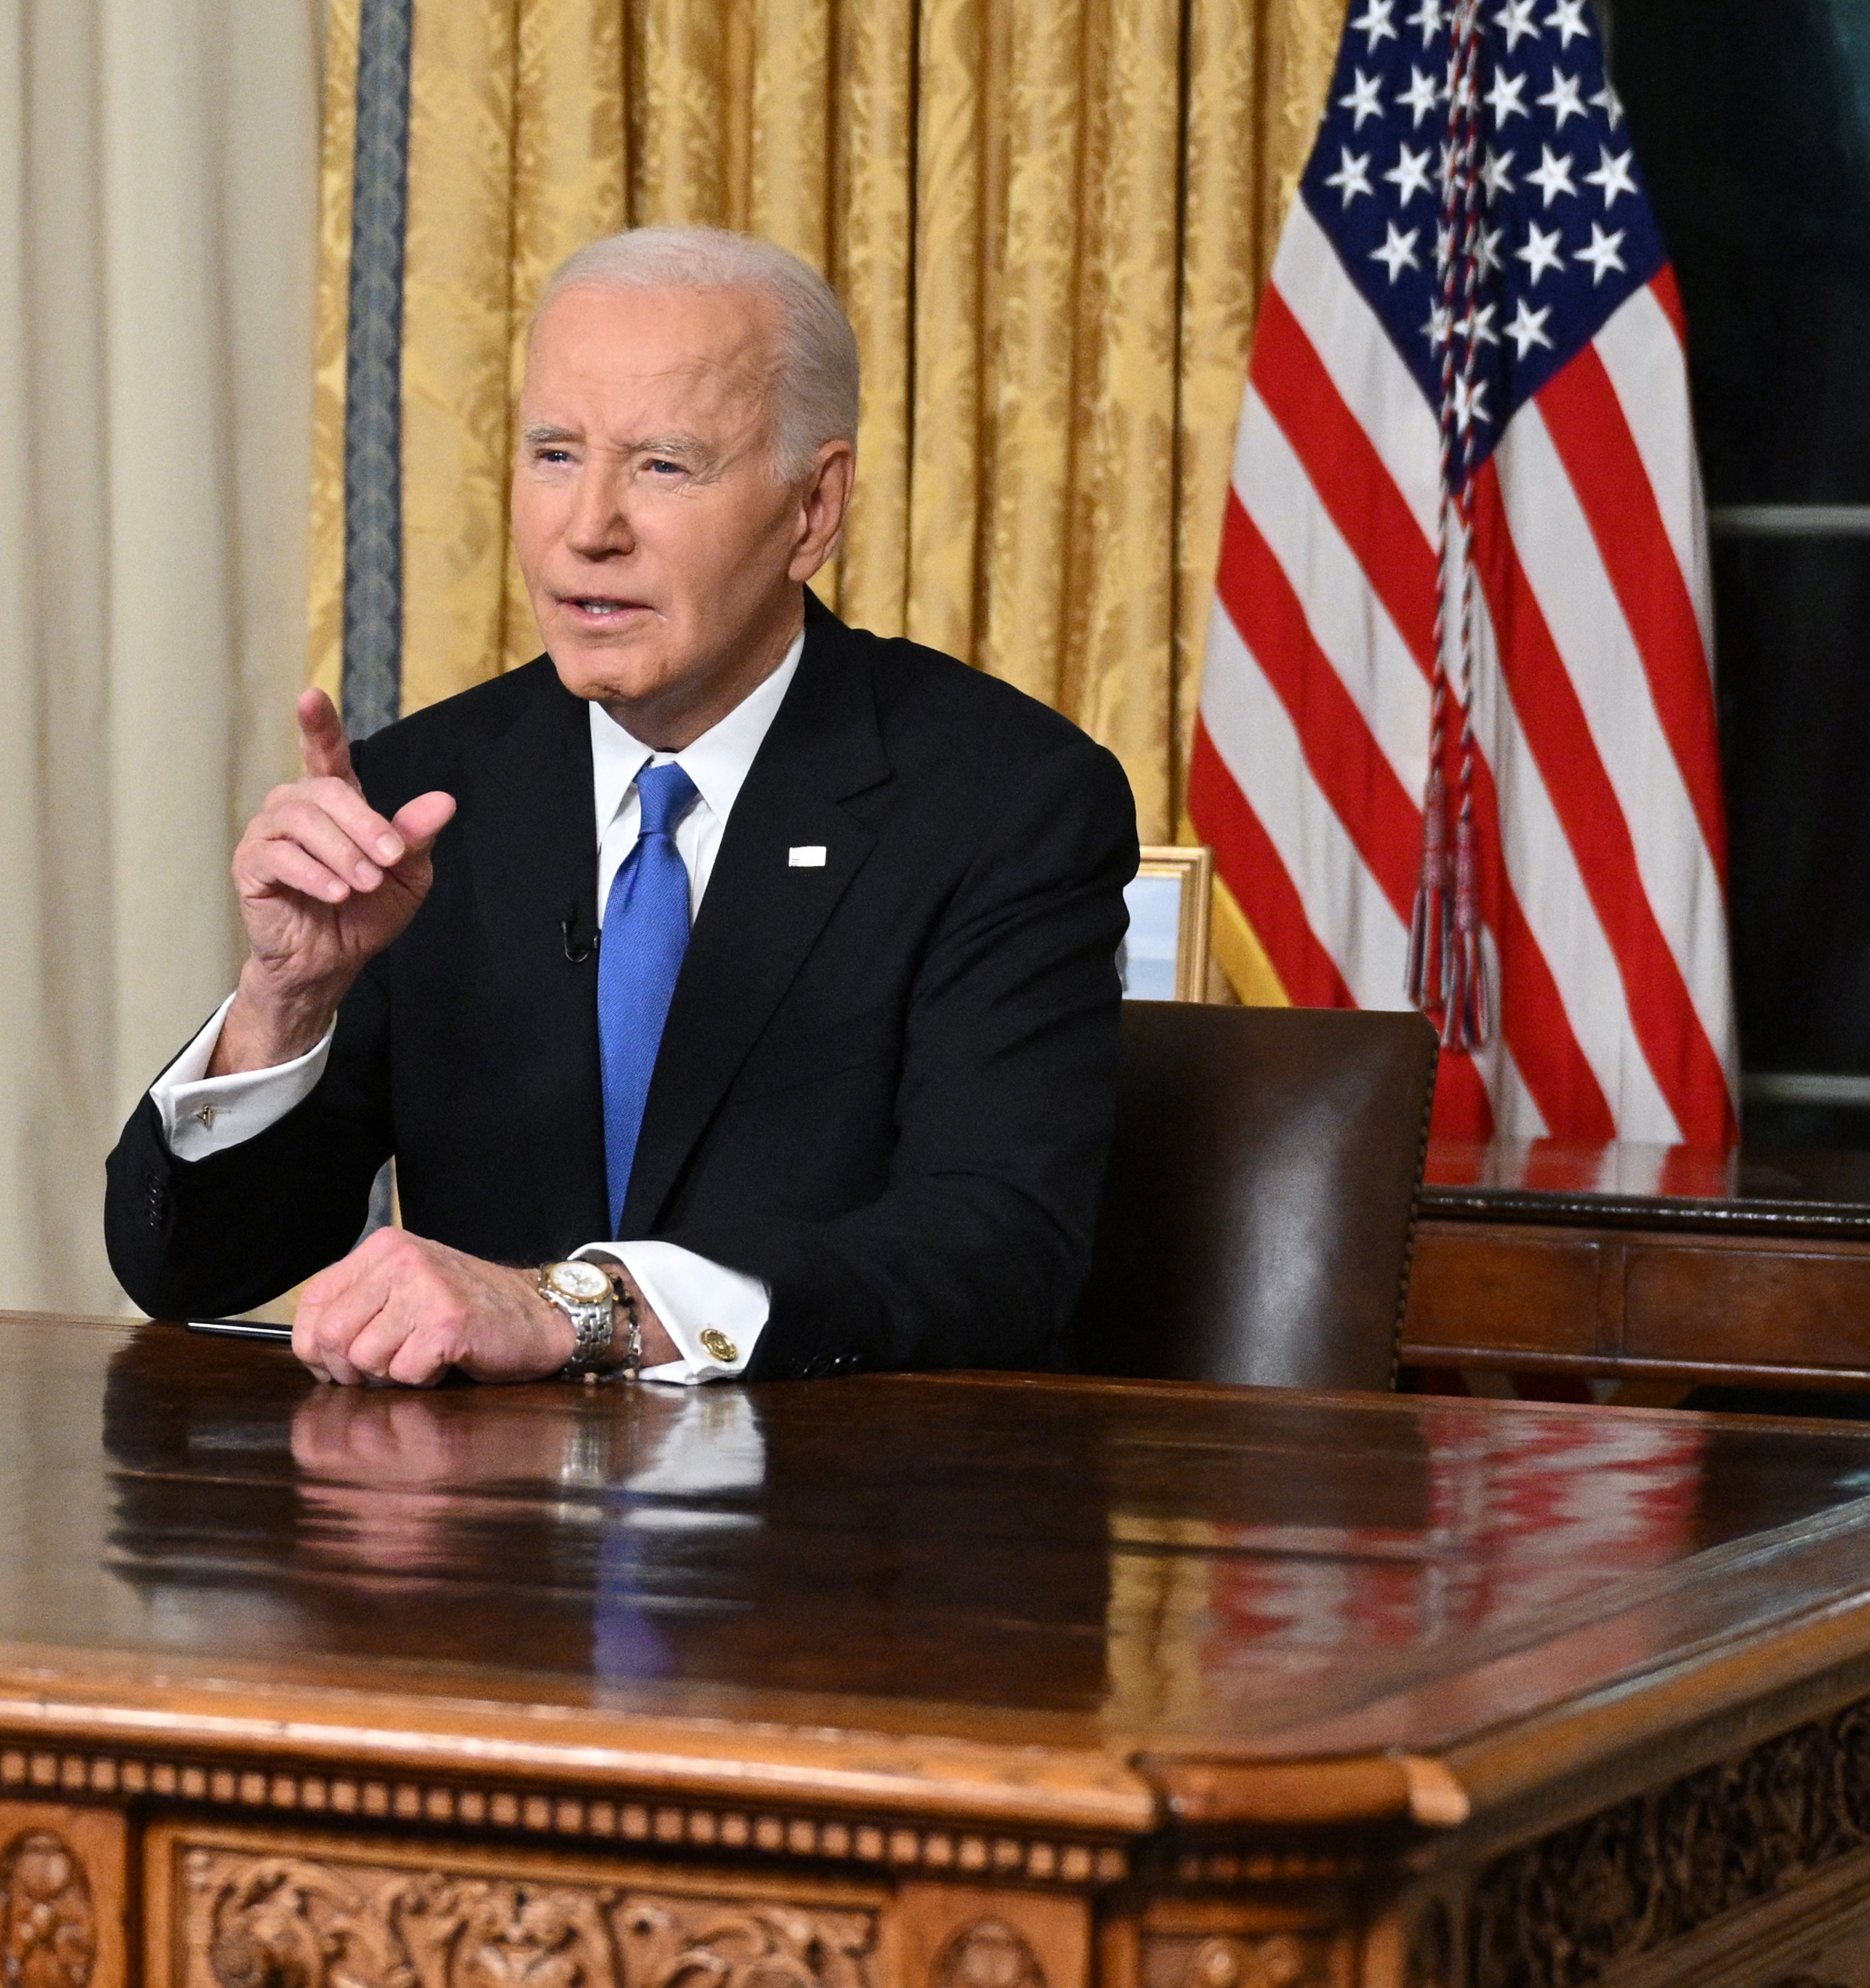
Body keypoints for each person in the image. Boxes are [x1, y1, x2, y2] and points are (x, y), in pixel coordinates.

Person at [102, 226, 1133, 1383]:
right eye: (553, 454)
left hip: (827, 1522)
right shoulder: (424, 795)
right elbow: (186, 1270)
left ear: (812, 507)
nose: (587, 526)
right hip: (483, 1533)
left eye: (662, 465)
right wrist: (282, 1005)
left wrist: (582, 1308)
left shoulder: (1003, 800)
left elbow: (996, 1251)